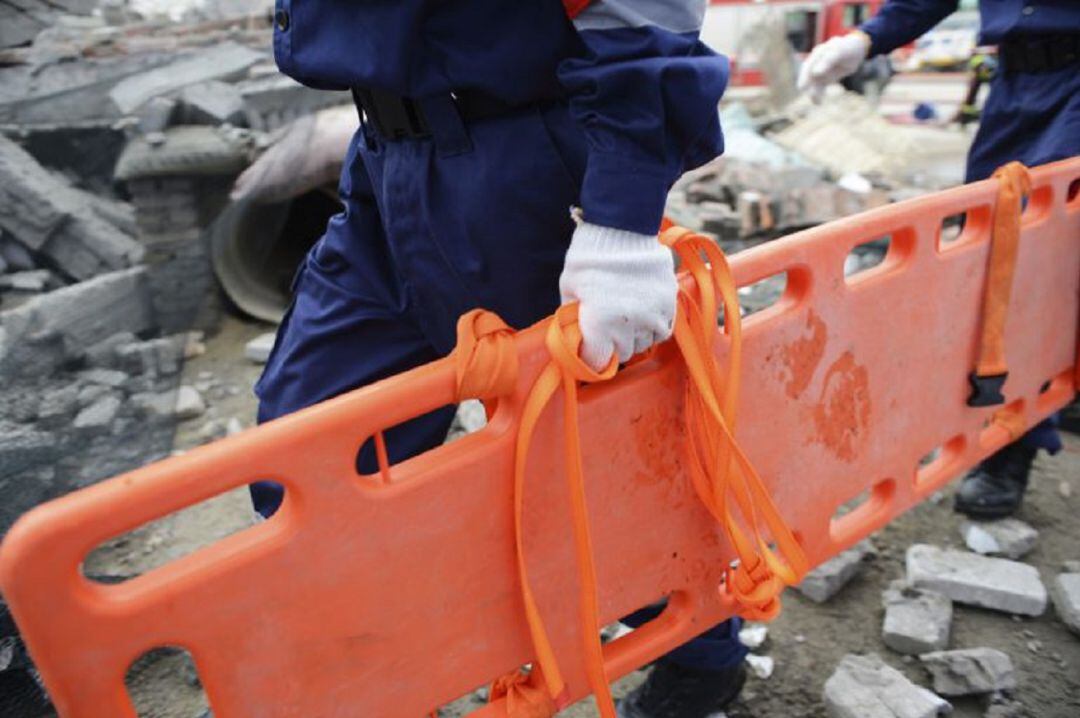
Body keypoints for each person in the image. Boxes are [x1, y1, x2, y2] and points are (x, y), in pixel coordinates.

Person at [246, 1, 747, 715]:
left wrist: (620, 216)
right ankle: (373, 671)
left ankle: (702, 655)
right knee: (310, 454)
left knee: (591, 476)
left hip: (524, 172)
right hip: (385, 166)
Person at [798, 0, 1080, 519]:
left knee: (1043, 253)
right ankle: (1011, 417)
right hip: (1016, 82)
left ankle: (1016, 441)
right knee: (993, 248)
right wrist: (867, 38)